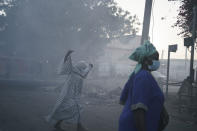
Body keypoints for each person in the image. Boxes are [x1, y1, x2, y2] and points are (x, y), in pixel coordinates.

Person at [118, 41, 165, 131]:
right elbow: (139, 110)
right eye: (155, 59)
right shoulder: (143, 76)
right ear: (146, 60)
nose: (157, 62)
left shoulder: (139, 74)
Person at [45, 50, 93, 131]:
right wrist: (67, 55)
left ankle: (64, 125)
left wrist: (90, 67)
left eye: (84, 68)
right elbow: (66, 64)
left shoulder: (81, 73)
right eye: (83, 67)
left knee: (75, 109)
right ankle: (78, 126)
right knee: (69, 109)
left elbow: (85, 72)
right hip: (67, 94)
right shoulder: (72, 70)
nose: (84, 69)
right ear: (80, 67)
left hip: (75, 95)